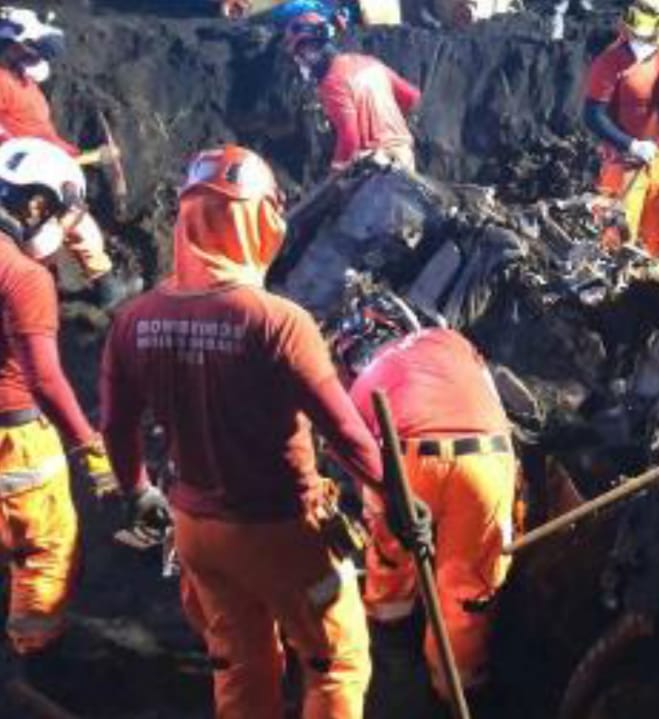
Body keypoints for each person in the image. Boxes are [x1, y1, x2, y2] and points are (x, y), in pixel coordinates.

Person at [101, 145, 393, 718]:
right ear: (257, 220)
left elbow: (115, 424)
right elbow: (348, 435)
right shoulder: (277, 322)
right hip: (283, 534)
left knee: (240, 661)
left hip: (196, 533)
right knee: (336, 663)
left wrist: (137, 489)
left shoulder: (133, 320)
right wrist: (395, 501)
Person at [327, 285, 518, 697]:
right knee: (469, 594)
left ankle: (392, 645)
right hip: (488, 459)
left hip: (407, 459)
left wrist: (391, 509)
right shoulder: (453, 342)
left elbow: (353, 458)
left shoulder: (362, 385)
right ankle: (456, 686)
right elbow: (495, 404)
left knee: (391, 560)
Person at [0, 137, 115, 673]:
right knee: (47, 547)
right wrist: (91, 450)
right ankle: (36, 650)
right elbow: (45, 378)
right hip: (14, 437)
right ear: (38, 204)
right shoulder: (25, 279)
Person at [0, 8, 124, 295]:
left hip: (43, 165)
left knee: (71, 225)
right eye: (28, 49)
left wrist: (77, 153)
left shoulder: (20, 77)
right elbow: (13, 146)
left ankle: (100, 284)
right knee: (49, 232)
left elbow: (42, 132)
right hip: (24, 178)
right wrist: (82, 159)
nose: (36, 57)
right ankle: (95, 287)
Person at [583, 0, 659, 260]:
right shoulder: (611, 62)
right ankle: (610, 293)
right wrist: (632, 145)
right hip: (622, 163)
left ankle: (656, 284)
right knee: (616, 235)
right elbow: (593, 115)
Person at [282, 12, 422, 173]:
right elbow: (412, 97)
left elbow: (350, 138)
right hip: (405, 155)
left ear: (311, 49)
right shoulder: (369, 62)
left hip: (376, 164)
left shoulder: (331, 82)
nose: (301, 63)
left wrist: (336, 167)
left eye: (300, 56)